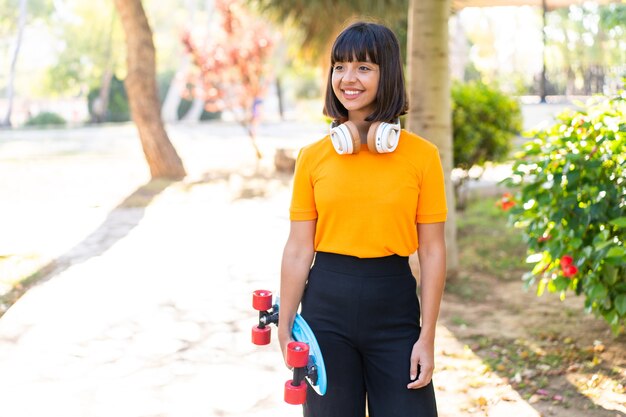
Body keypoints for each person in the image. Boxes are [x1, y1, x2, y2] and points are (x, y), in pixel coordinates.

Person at [278, 21, 447, 417]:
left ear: (387, 73)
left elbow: (433, 251)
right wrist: (286, 326)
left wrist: (427, 337)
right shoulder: (313, 157)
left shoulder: (422, 156)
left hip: (394, 307)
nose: (347, 78)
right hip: (325, 311)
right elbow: (299, 248)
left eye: (364, 67)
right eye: (340, 66)